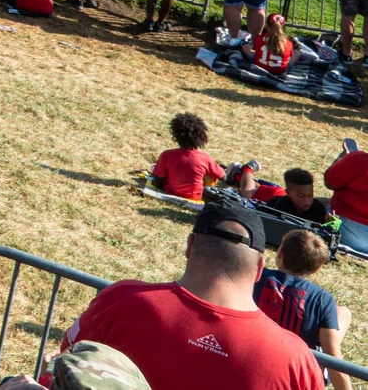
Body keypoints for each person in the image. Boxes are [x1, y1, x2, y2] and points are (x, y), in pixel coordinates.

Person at [58, 199, 322, 390]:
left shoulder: (120, 301)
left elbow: (68, 368)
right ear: (259, 268)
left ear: (190, 246)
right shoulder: (295, 359)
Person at [257, 228, 353, 384]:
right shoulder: (322, 298)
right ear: (316, 269)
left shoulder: (256, 276)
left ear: (280, 252)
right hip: (298, 374)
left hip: (255, 355)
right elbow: (334, 357)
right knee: (342, 314)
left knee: (343, 312)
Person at [152, 113, 226, 201]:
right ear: (201, 137)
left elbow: (158, 181)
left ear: (176, 135)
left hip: (170, 192)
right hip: (198, 196)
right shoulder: (205, 158)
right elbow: (223, 177)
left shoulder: (166, 155)